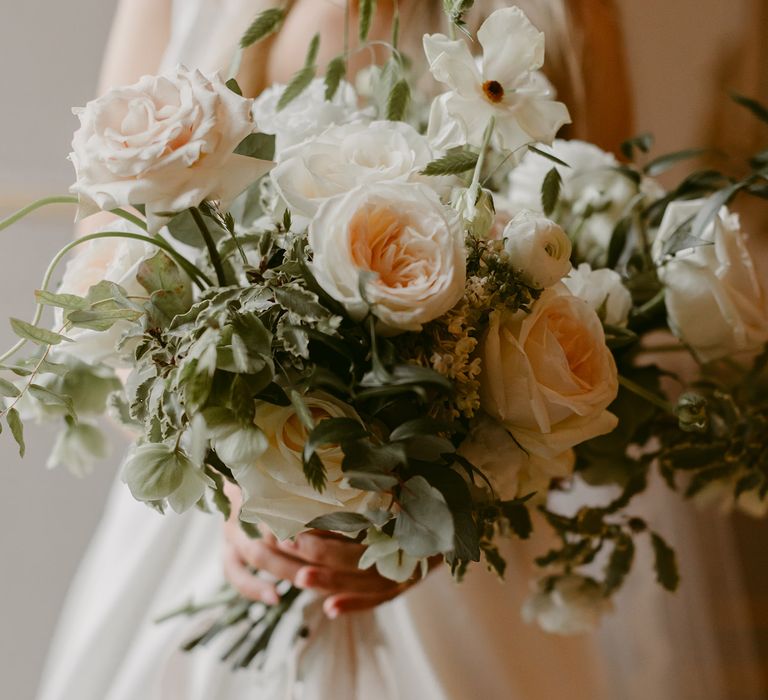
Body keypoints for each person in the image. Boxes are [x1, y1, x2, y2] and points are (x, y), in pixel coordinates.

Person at [36, 1, 765, 699]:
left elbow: (582, 304)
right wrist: (242, 480)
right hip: (216, 538)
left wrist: (436, 514)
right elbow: (110, 284)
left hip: (461, 550)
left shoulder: (567, 19)